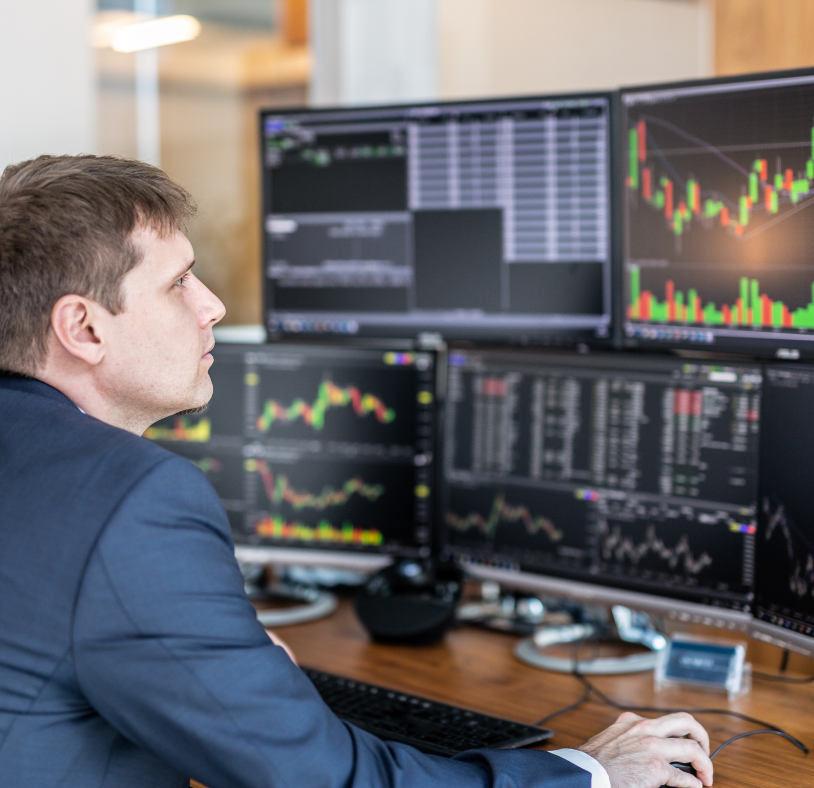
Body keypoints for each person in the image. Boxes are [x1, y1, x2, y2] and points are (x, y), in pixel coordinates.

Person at [0, 155, 714, 788]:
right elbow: (322, 779)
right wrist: (589, 775)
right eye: (179, 283)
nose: (212, 306)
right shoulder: (138, 502)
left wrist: (226, 671)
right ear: (83, 328)